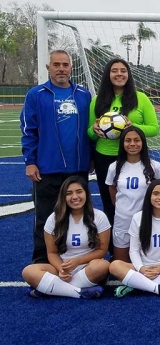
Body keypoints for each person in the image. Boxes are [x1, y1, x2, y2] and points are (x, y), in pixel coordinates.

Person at [20, 50, 92, 264]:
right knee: (45, 218)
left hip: (77, 169)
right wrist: (30, 161)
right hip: (47, 168)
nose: (61, 69)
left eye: (65, 65)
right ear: (48, 67)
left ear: (71, 68)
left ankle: (76, 259)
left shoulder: (83, 94)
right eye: (56, 65)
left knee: (78, 217)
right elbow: (28, 130)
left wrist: (90, 158)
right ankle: (42, 262)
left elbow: (89, 129)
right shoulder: (36, 94)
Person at [88, 58, 159, 232]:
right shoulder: (97, 100)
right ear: (108, 74)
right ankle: (114, 247)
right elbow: (89, 132)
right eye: (114, 70)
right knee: (110, 203)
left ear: (128, 74)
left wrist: (132, 127)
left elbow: (154, 129)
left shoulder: (140, 98)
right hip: (104, 157)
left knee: (140, 201)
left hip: (134, 157)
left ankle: (142, 243)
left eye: (123, 70)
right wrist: (95, 129)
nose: (119, 74)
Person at [22, 176, 110, 299]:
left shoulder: (99, 217)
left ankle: (51, 289)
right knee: (28, 271)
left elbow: (101, 251)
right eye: (69, 193)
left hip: (87, 267)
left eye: (79, 192)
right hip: (62, 266)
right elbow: (52, 253)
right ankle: (78, 292)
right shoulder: (54, 218)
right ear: (63, 197)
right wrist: (61, 269)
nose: (75, 197)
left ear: (86, 193)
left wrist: (78, 261)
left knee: (103, 265)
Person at [109, 179, 160, 298]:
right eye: (155, 193)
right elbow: (133, 250)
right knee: (114, 265)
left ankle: (137, 286)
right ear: (149, 196)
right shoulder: (138, 217)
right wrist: (141, 269)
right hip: (143, 268)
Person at [105, 126, 160, 262]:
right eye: (128, 140)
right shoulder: (114, 167)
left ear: (143, 142)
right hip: (123, 221)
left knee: (147, 261)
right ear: (122, 143)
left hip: (147, 220)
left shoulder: (154, 166)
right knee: (121, 264)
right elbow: (112, 191)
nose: (132, 144)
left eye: (136, 140)